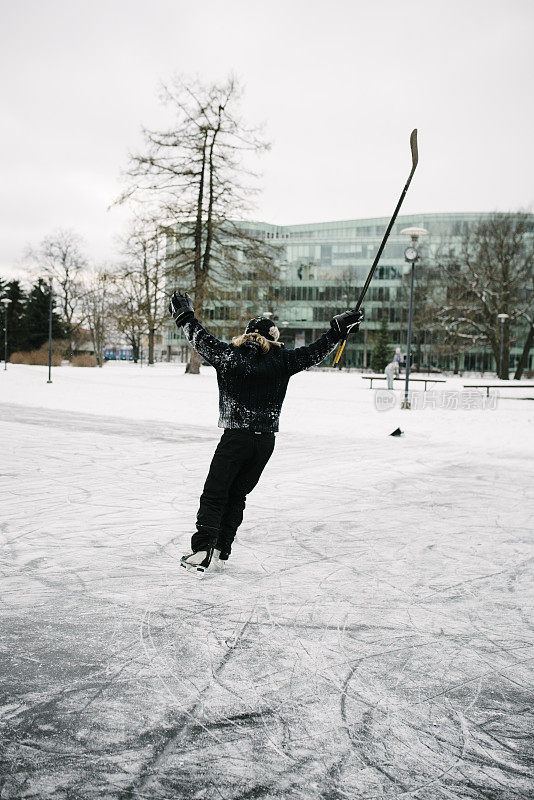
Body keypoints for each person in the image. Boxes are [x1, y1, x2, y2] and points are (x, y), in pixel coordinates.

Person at [168, 290, 364, 577]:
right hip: (264, 443)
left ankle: (202, 551)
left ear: (247, 334)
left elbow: (198, 336)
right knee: (237, 495)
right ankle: (221, 550)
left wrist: (184, 315)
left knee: (215, 493)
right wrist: (337, 331)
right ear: (273, 337)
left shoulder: (228, 355)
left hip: (235, 438)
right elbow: (314, 352)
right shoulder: (283, 360)